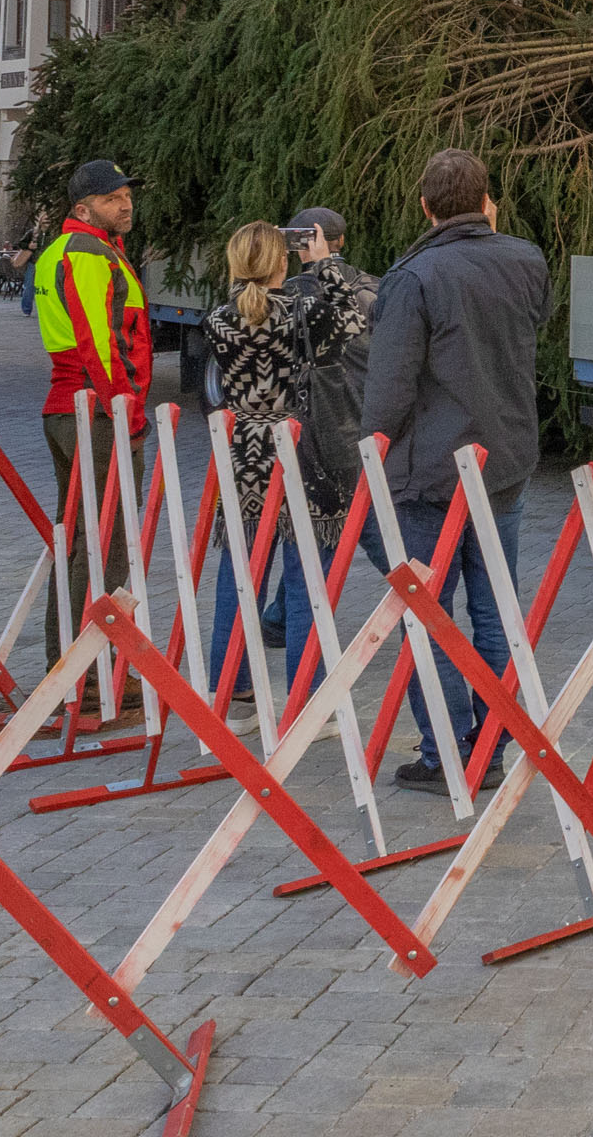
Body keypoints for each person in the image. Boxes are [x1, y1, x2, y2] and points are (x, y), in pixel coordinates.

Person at [362, 148, 548, 793]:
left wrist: (369, 456)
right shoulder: (525, 260)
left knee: (428, 612)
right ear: (487, 202)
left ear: (425, 207)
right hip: (504, 460)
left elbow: (389, 386)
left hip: (432, 473)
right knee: (495, 608)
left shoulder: (413, 277)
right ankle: (492, 744)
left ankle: (447, 750)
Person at [202, 222, 368, 693]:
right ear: (282, 261)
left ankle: (231, 687)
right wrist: (323, 265)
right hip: (300, 450)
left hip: (244, 455)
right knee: (305, 579)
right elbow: (354, 324)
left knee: (240, 575)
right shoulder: (303, 311)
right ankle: (306, 694)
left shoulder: (217, 319)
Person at [31, 161, 150, 675]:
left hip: (76, 407)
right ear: (82, 209)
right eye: (111, 199)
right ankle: (88, 670)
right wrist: (126, 414)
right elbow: (97, 344)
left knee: (82, 539)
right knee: (104, 543)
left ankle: (76, 665)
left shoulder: (75, 249)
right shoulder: (86, 252)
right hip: (93, 410)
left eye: (126, 196)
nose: (124, 205)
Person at [282, 207, 379, 503]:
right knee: (367, 506)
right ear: (343, 240)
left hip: (314, 419)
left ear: (299, 246)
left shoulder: (291, 293)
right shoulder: (374, 285)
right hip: (364, 411)